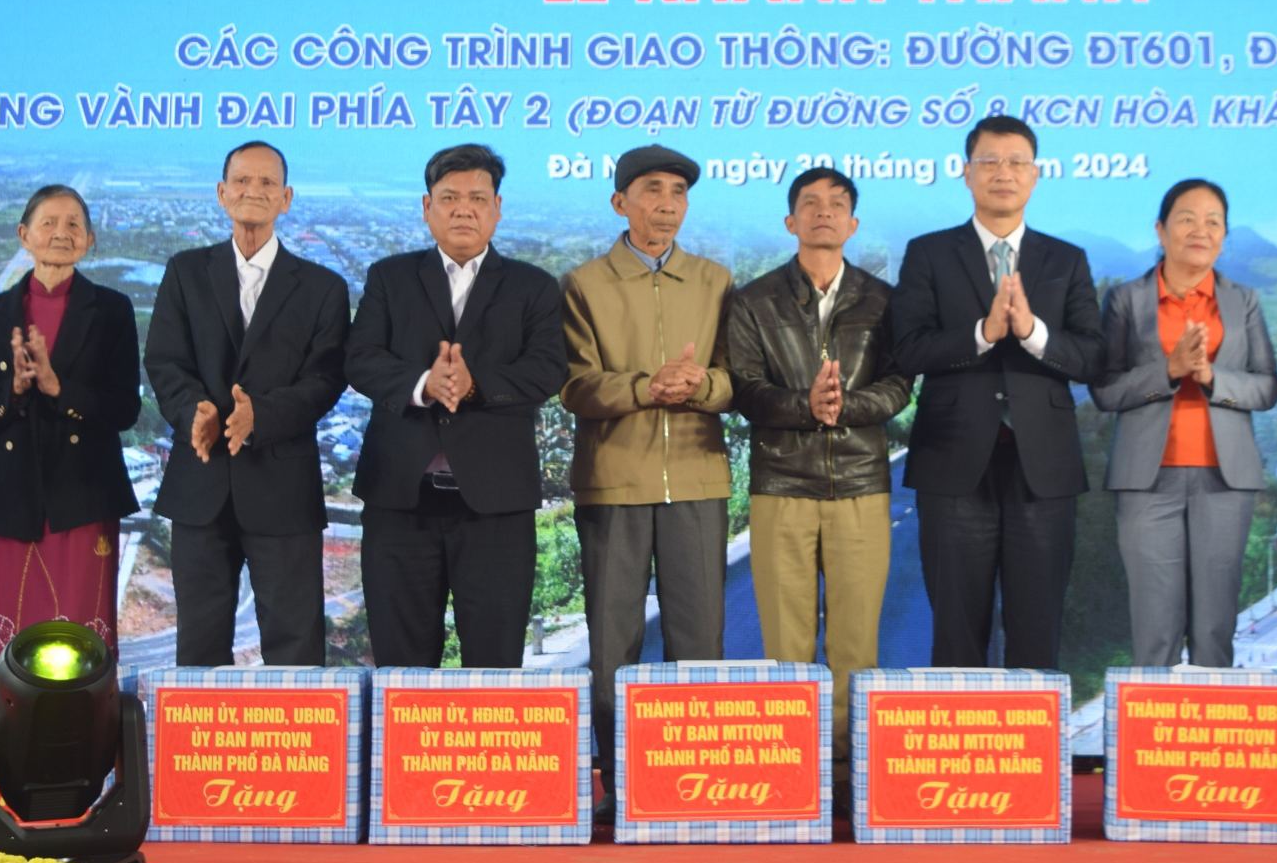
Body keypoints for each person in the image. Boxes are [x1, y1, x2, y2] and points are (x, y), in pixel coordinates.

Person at [893, 115, 1106, 670]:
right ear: (967, 174)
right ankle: (962, 753)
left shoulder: (1067, 260)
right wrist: (982, 334)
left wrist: (1032, 332)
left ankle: (1034, 756)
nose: (1003, 173)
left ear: (1035, 176)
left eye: (1017, 162)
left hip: (1044, 466)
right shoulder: (929, 253)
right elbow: (909, 349)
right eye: (989, 162)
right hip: (954, 462)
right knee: (958, 631)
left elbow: (1091, 357)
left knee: (1037, 628)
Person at [346, 145, 567, 668]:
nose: (463, 209)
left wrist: (475, 385)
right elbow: (359, 360)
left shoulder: (533, 286)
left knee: (494, 659)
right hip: (401, 498)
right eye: (449, 198)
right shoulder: (389, 277)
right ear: (427, 208)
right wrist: (425, 382)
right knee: (401, 660)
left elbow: (548, 370)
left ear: (497, 208)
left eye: (477, 198)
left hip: (495, 502)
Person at [561, 144, 734, 783]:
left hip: (697, 476)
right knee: (612, 643)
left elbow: (738, 380)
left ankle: (694, 775)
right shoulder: (582, 283)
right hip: (613, 481)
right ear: (620, 202)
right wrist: (644, 388)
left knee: (700, 639)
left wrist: (701, 386)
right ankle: (611, 775)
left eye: (678, 192)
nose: (667, 204)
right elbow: (575, 385)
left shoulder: (715, 281)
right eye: (652, 190)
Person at [144, 141, 348, 667]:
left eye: (266, 184)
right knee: (199, 644)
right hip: (200, 481)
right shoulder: (185, 271)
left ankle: (296, 749)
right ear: (221, 193)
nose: (251, 192)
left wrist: (261, 416)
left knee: (295, 641)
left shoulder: (323, 287)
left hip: (283, 486)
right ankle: (201, 751)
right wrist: (198, 413)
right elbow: (165, 361)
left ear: (286, 198)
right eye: (241, 181)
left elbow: (326, 377)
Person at [726, 167, 911, 742]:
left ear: (853, 223)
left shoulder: (885, 301)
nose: (823, 211)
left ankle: (849, 766)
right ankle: (795, 767)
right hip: (781, 484)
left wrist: (845, 407)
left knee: (857, 640)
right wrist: (805, 405)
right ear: (791, 221)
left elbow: (900, 383)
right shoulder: (753, 300)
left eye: (837, 204)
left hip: (861, 482)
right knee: (786, 642)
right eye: (810, 203)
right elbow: (745, 388)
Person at [1091, 179, 1277, 667]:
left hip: (1226, 480)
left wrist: (1213, 377)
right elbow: (1106, 389)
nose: (1201, 230)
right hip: (1147, 480)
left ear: (1224, 235)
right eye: (1187, 218)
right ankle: (1150, 742)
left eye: (1213, 221)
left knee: (1215, 631)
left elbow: (1267, 387)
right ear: (1160, 229)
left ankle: (1210, 739)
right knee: (1154, 632)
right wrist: (1169, 372)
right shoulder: (1126, 299)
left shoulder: (1244, 301)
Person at [0, 185, 142, 659]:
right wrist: (17, 390)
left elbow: (126, 409)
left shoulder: (112, 310)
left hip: (83, 494)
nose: (60, 234)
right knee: (13, 638)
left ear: (90, 240)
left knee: (82, 644)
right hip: (14, 496)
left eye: (73, 225)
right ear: (24, 235)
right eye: (48, 223)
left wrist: (58, 388)